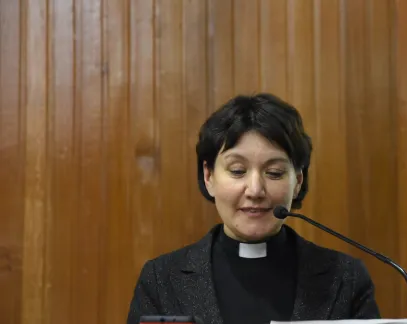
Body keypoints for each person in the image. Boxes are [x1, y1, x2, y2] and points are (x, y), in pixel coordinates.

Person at [126, 93, 381, 324]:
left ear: (298, 180)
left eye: (274, 172)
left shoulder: (345, 279)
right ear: (208, 176)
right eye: (237, 171)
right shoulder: (162, 280)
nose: (255, 190)